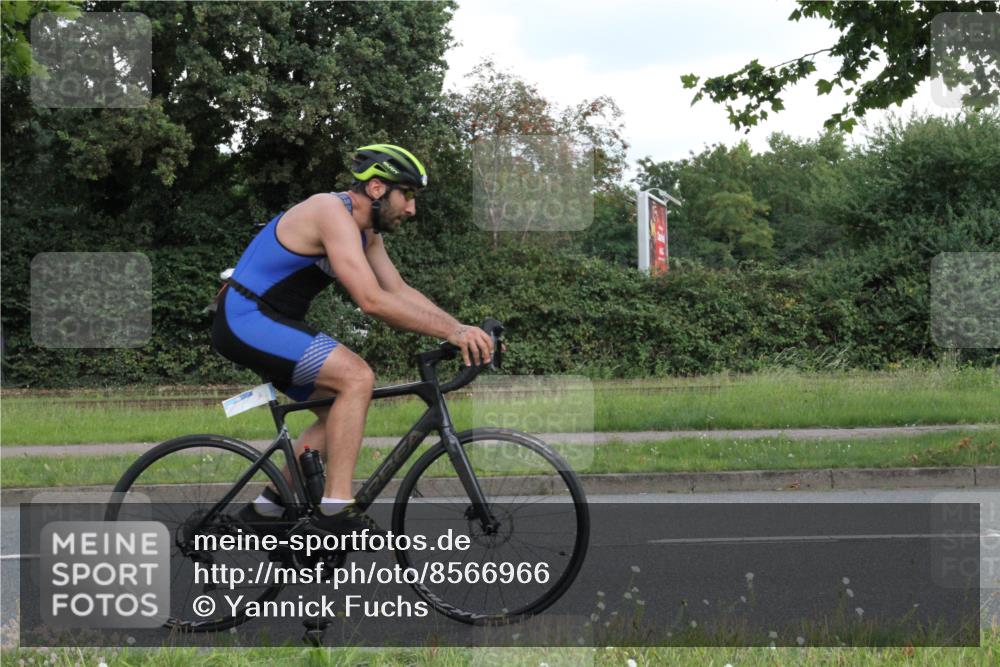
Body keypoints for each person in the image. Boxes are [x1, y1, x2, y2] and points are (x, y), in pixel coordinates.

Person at [210, 143, 494, 542]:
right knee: (356, 377)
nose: (412, 208)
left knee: (335, 411)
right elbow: (372, 301)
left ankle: (267, 507)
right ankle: (336, 507)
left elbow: (397, 289)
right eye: (407, 194)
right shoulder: (330, 211)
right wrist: (451, 332)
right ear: (377, 188)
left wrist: (459, 327)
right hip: (245, 317)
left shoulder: (366, 234)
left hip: (268, 322)